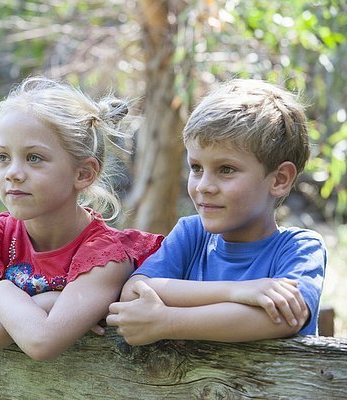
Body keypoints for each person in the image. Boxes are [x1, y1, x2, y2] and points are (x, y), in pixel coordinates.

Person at [0, 76, 163, 363]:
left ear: (83, 174)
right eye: (3, 157)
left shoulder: (104, 256)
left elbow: (42, 341)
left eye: (34, 158)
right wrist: (40, 302)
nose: (13, 173)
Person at [107, 79, 327, 345]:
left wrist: (166, 322)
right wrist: (239, 291)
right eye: (197, 168)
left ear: (279, 179)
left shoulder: (299, 248)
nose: (204, 186)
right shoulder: (191, 234)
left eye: (226, 169)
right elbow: (133, 292)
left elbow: (282, 318)